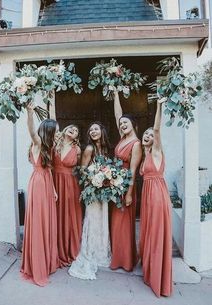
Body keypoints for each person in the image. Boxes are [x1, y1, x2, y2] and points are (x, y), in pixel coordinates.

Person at [21, 102, 59, 286]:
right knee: (39, 221)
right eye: (56, 131)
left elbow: (49, 169)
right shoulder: (37, 142)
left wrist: (53, 189)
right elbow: (31, 131)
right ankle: (37, 264)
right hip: (37, 183)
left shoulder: (48, 147)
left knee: (46, 221)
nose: (58, 134)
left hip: (46, 183)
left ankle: (47, 259)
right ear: (49, 132)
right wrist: (29, 112)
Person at [68, 122, 111, 280]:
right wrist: (95, 181)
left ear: (102, 131)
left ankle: (101, 250)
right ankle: (91, 251)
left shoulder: (104, 149)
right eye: (91, 129)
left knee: (102, 220)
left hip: (103, 190)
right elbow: (82, 170)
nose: (93, 131)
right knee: (92, 220)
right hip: (92, 191)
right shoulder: (89, 149)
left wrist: (107, 179)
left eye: (96, 129)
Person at [139, 97, 172, 297]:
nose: (148, 135)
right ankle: (150, 271)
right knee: (150, 232)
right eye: (146, 133)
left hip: (158, 195)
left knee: (157, 233)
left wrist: (159, 105)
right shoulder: (146, 154)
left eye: (150, 135)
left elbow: (158, 129)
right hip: (147, 196)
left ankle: (159, 279)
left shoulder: (157, 151)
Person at [110, 89, 142, 271]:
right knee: (116, 222)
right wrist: (115, 93)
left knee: (124, 223)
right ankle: (118, 257)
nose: (122, 125)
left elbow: (133, 170)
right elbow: (117, 114)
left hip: (126, 186)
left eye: (125, 123)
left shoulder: (136, 144)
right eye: (121, 123)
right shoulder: (122, 138)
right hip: (115, 184)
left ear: (133, 124)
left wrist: (129, 193)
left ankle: (126, 261)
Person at [49, 96, 82, 267]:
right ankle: (55, 248)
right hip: (55, 182)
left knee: (69, 215)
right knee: (55, 213)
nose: (73, 130)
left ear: (76, 137)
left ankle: (70, 248)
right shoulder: (56, 142)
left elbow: (81, 168)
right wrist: (53, 97)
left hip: (70, 184)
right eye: (71, 128)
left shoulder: (77, 149)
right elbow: (53, 120)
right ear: (64, 130)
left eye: (76, 131)